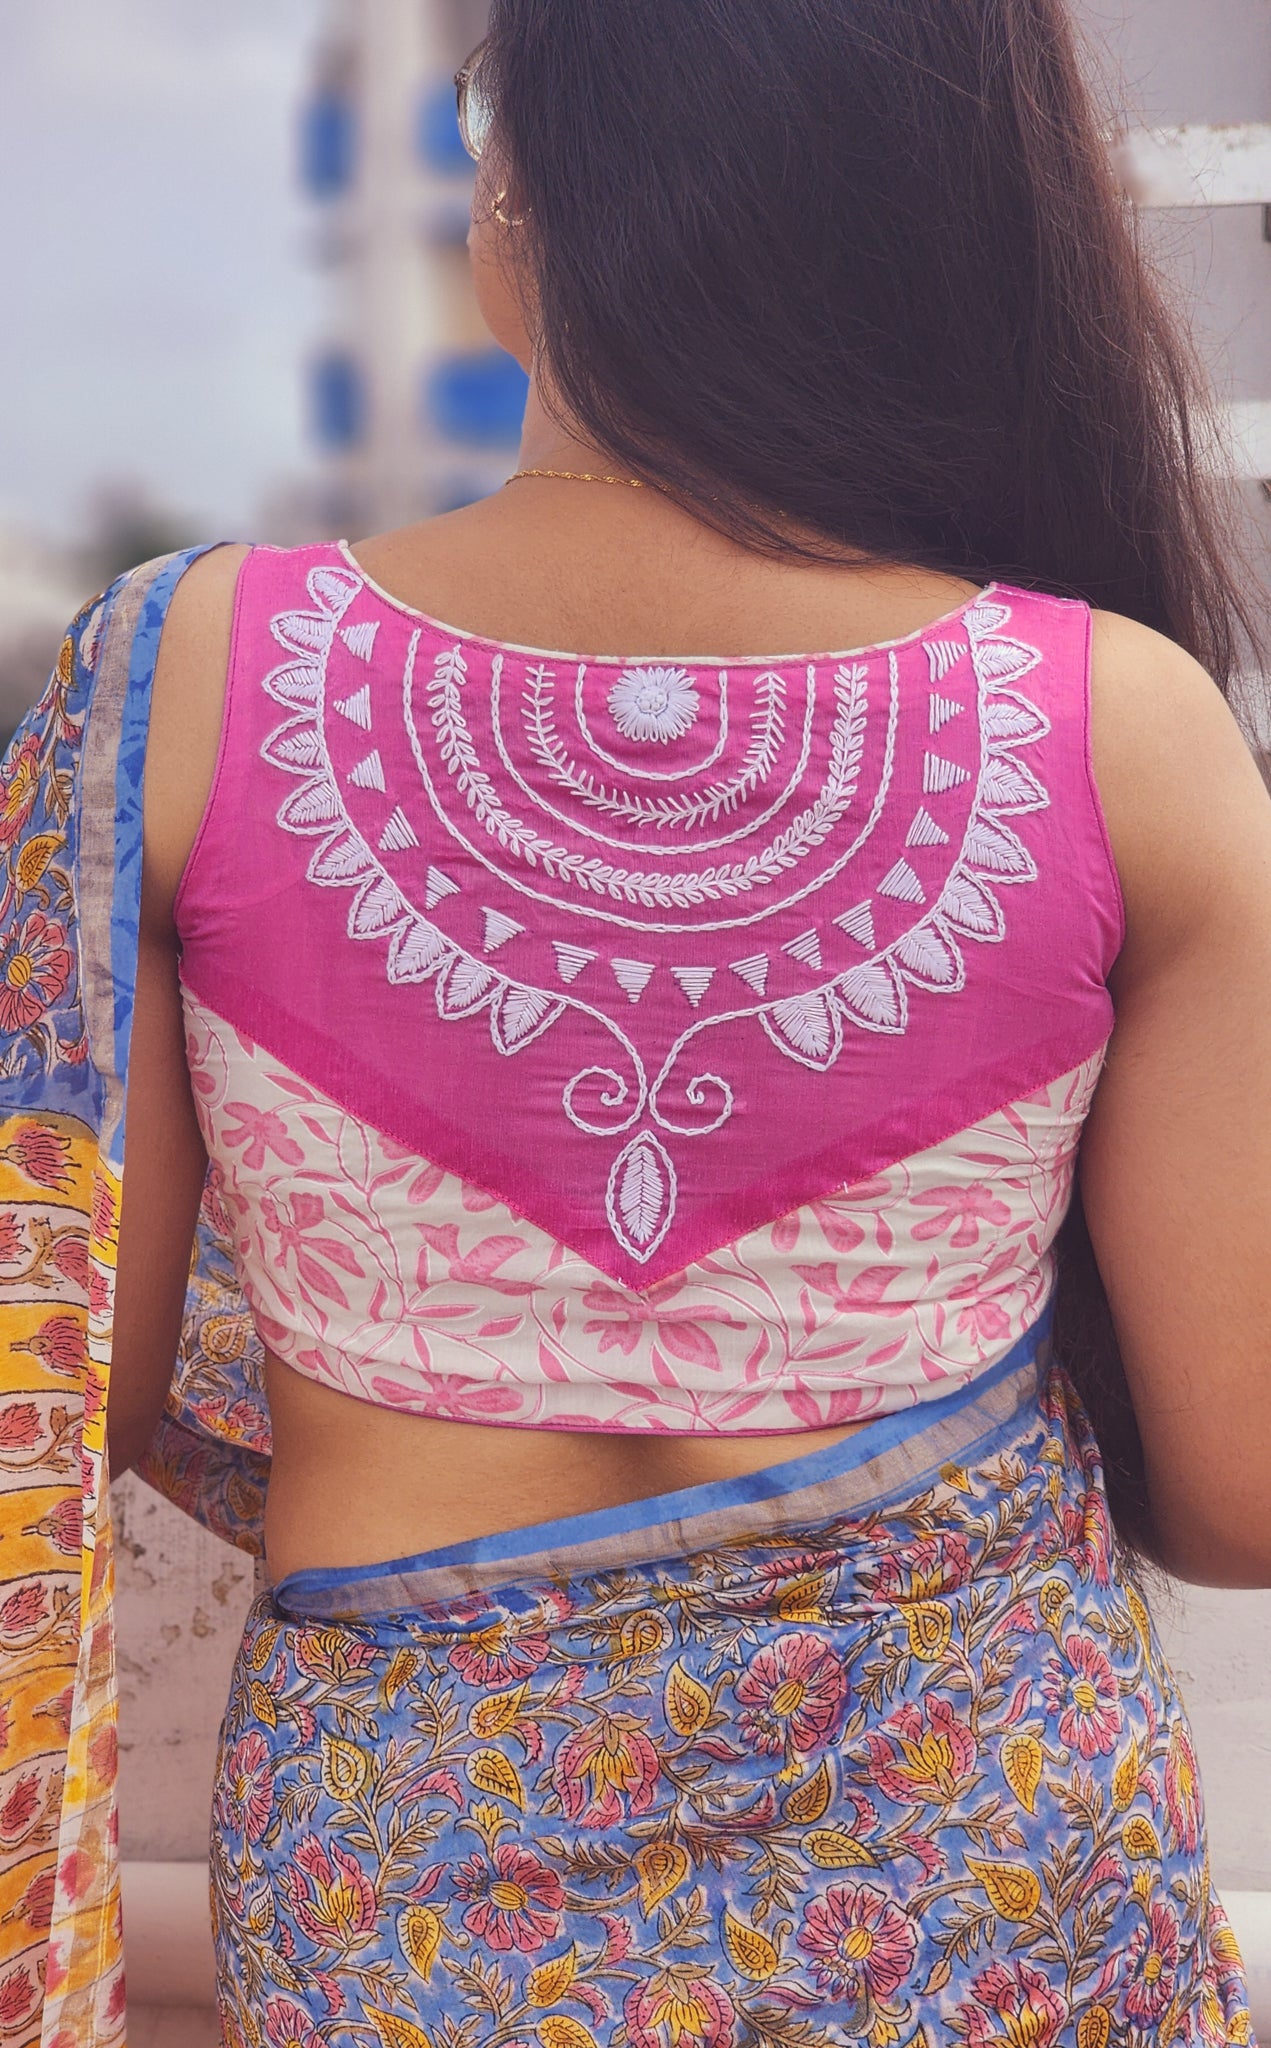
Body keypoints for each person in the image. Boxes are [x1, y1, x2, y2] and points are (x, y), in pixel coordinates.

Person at [2, 0, 1269, 2039]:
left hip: (418, 1907)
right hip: (993, 1892)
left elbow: (75, 1374)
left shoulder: (181, 683)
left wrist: (417, 1375)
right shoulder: (1127, 729)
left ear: (525, 200)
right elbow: (1242, 1484)